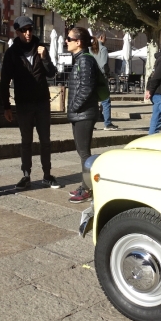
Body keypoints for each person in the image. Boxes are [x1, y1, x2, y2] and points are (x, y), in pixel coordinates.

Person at [0, 15, 61, 191]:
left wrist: (45, 58)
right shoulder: (12, 53)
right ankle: (26, 175)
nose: (28, 33)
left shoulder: (41, 48)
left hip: (42, 102)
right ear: (17, 31)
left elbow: (51, 73)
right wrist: (6, 106)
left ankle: (47, 175)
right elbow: (4, 82)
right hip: (23, 103)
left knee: (45, 140)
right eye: (24, 30)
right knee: (26, 140)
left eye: (30, 29)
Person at [66, 27, 98, 203]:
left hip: (84, 114)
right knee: (82, 152)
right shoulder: (80, 59)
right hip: (81, 113)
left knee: (85, 154)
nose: (66, 41)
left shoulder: (85, 60)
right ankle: (85, 185)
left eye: (69, 38)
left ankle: (88, 189)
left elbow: (86, 87)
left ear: (78, 42)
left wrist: (74, 106)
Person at [91, 33, 118, 131]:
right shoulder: (103, 49)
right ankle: (107, 123)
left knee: (93, 101)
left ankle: (91, 124)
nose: (106, 40)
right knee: (106, 101)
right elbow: (104, 64)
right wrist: (107, 74)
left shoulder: (90, 49)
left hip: (91, 77)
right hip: (101, 77)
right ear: (101, 38)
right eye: (105, 38)